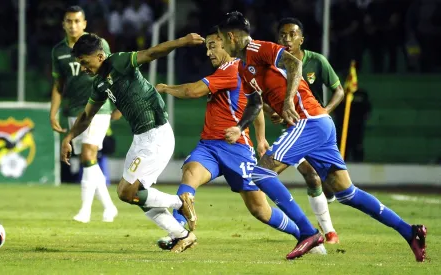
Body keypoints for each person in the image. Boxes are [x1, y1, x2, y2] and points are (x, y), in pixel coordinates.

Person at [219, 11, 427, 262]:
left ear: (230, 36)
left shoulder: (259, 47)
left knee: (261, 173)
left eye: (220, 39)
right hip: (318, 123)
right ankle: (410, 232)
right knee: (346, 193)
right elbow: (255, 103)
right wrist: (242, 126)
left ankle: (307, 232)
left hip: (310, 121)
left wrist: (286, 103)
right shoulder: (243, 67)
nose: (220, 44)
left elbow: (295, 64)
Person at [154, 26, 325, 254]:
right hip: (209, 146)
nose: (208, 53)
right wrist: (263, 136)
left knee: (260, 209)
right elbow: (254, 106)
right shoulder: (230, 71)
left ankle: (304, 234)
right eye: (207, 48)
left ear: (225, 43)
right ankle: (178, 232)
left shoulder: (232, 69)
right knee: (189, 176)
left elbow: (193, 91)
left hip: (236, 149)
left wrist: (165, 88)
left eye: (212, 46)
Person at [60, 32, 205, 253]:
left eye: (84, 62)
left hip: (156, 133)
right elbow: (86, 116)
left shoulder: (118, 61)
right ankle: (181, 235)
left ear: (99, 56)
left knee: (127, 192)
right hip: (141, 138)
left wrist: (182, 42)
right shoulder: (99, 84)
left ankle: (180, 202)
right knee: (136, 195)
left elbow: (152, 53)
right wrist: (69, 137)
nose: (83, 68)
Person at [275, 17, 345, 243]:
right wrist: (275, 111)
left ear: (301, 39)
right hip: (295, 130)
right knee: (312, 177)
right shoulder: (275, 66)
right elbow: (262, 99)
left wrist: (324, 111)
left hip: (317, 129)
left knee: (332, 185)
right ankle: (329, 232)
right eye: (283, 35)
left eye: (292, 34)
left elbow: (339, 91)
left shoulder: (317, 61)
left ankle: (328, 198)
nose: (287, 38)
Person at [50, 6, 118, 223]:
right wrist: (54, 112)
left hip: (99, 107)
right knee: (88, 160)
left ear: (84, 23)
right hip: (75, 110)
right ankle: (109, 207)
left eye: (77, 21)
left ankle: (85, 211)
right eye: (69, 21)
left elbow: (112, 72)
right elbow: (59, 84)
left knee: (88, 155)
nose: (73, 25)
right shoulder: (58, 51)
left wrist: (119, 103)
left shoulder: (98, 44)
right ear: (63, 24)